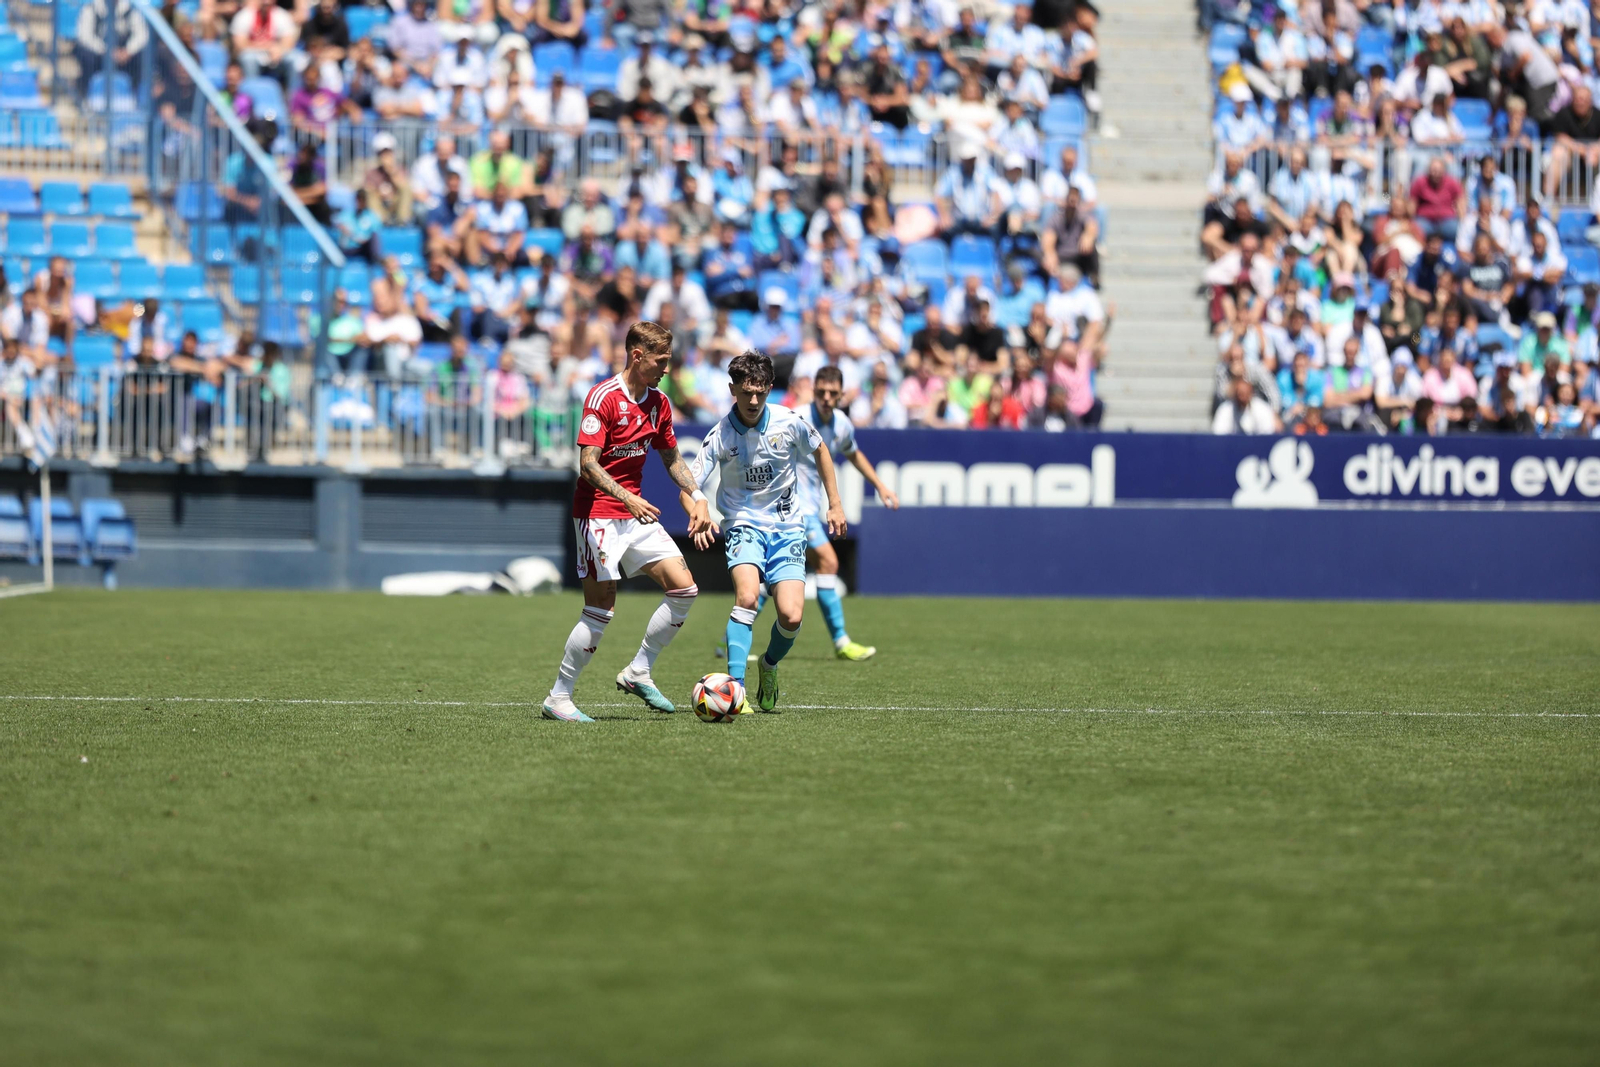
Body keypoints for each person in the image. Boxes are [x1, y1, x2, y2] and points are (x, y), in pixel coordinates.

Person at [542, 321, 713, 724]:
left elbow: (671, 458)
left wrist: (699, 497)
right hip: (598, 512)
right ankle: (559, 698)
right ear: (638, 355)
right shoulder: (602, 397)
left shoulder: (659, 403)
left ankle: (638, 670)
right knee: (601, 607)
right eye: (661, 360)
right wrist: (626, 496)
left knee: (685, 589)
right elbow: (587, 465)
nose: (667, 369)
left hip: (634, 514)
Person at [686, 350, 847, 712]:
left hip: (789, 527)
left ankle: (769, 665)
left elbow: (821, 451)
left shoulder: (790, 422)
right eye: (746, 393)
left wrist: (833, 503)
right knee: (746, 597)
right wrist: (698, 508)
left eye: (760, 392)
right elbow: (688, 483)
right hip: (743, 524)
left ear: (770, 389)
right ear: (733, 390)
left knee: (791, 616)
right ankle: (735, 689)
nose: (754, 400)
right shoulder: (720, 434)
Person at [781, 364, 902, 662]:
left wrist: (880, 486)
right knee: (829, 562)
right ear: (814, 390)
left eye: (831, 393)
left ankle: (730, 640)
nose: (825, 397)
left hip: (807, 507)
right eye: (820, 391)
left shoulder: (841, 424)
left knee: (773, 575)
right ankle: (841, 641)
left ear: (841, 395)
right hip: (791, 507)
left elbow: (853, 452)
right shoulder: (796, 417)